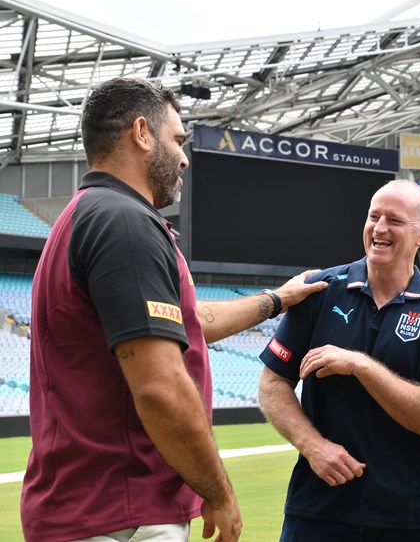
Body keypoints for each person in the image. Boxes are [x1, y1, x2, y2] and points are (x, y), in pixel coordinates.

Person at [20, 77, 327, 542]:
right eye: (178, 140)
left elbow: (193, 323)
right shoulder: (124, 223)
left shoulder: (89, 212)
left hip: (93, 507)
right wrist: (218, 492)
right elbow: (161, 386)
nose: (184, 158)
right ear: (142, 133)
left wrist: (277, 300)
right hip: (122, 511)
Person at [258, 179, 420, 542]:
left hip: (410, 516)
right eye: (374, 216)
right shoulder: (319, 291)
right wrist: (312, 445)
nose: (380, 228)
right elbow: (272, 381)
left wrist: (362, 366)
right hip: (317, 509)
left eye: (395, 220)